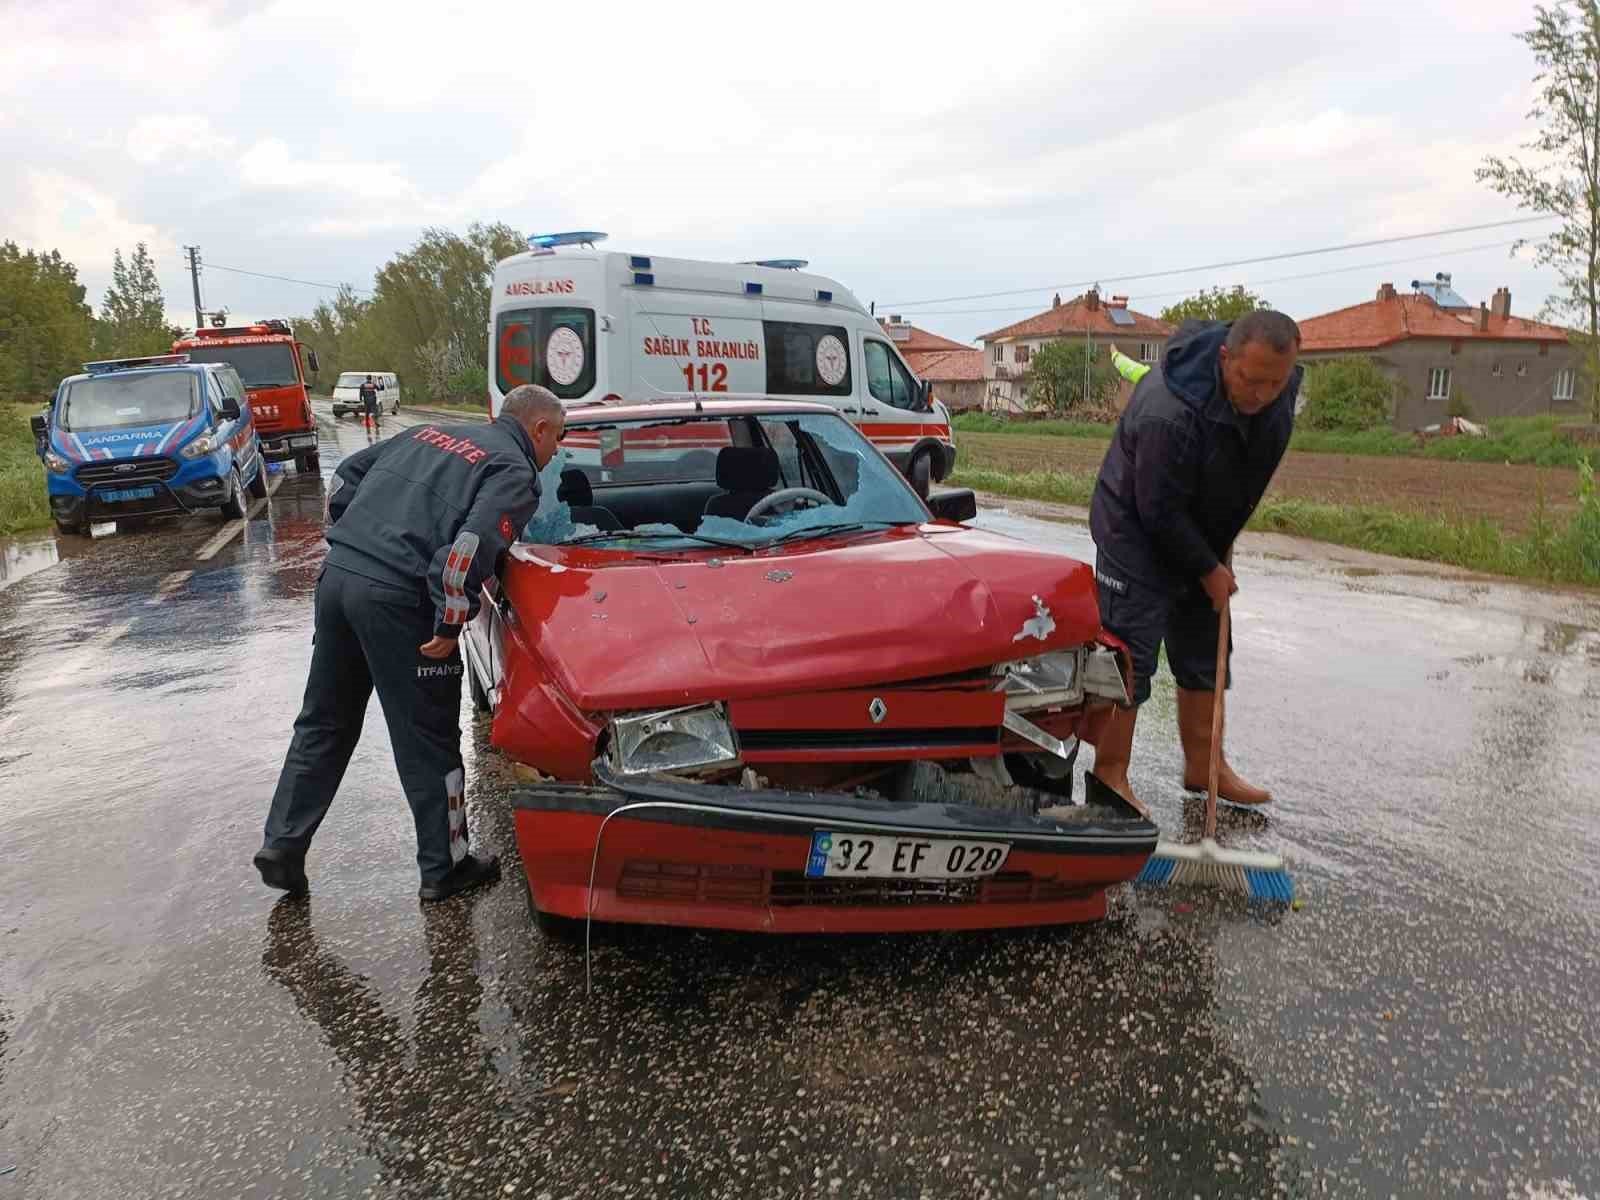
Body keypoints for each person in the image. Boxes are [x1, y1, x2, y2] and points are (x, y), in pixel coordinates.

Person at [254, 384, 565, 901]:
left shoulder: (429, 433)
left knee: (324, 721)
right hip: (398, 599)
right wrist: (448, 623)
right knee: (430, 737)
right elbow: (466, 551)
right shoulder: (514, 470)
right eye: (559, 437)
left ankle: (282, 844)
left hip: (339, 578)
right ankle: (446, 866)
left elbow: (346, 476)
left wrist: (357, 540)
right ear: (538, 429)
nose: (558, 449)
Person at [1087, 311, 1302, 812]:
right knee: (1129, 657)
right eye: (1250, 380)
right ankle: (1110, 774)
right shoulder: (1168, 410)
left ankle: (1206, 768)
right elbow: (1157, 509)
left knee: (1207, 649)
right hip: (1134, 530)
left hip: (1199, 529)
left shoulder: (1278, 389)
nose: (1262, 395)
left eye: (1275, 382)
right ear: (1225, 358)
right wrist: (1206, 568)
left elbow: (1243, 476)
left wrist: (1216, 551)